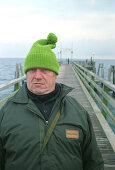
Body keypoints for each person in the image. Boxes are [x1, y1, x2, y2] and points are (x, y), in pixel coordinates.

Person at [0, 33, 104, 170]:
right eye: (32, 70)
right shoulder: (5, 112)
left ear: (55, 74)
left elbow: (93, 161)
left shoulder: (78, 112)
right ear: (26, 73)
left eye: (44, 70)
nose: (37, 76)